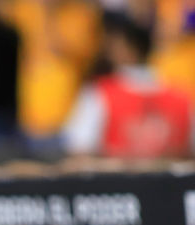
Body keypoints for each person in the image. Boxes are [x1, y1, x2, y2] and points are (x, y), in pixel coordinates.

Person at [61, 12, 195, 158]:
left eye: (114, 45)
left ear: (130, 48)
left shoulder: (99, 93)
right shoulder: (182, 97)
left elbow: (79, 148)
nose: (107, 51)